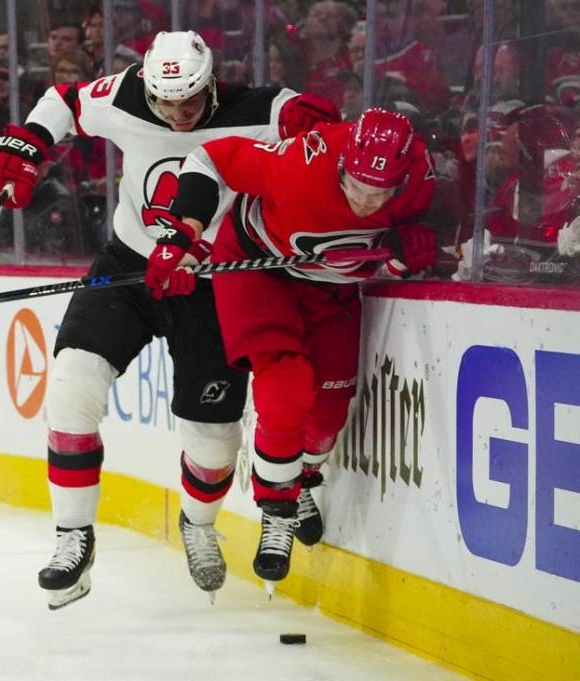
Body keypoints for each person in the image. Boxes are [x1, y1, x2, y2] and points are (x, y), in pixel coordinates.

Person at [0, 30, 340, 608]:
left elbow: (323, 135)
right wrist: (26, 143)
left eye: (191, 103)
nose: (178, 116)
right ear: (148, 83)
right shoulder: (124, 94)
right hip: (128, 267)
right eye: (166, 103)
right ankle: (73, 539)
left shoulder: (260, 109)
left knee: (214, 442)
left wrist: (319, 129)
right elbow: (65, 102)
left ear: (212, 83)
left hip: (215, 283)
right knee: (71, 386)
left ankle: (197, 524)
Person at [169, 108, 436, 588]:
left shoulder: (426, 182)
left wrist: (410, 253)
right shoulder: (302, 161)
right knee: (285, 387)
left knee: (328, 416)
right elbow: (209, 158)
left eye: (381, 193)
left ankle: (301, 475)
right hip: (257, 265)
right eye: (356, 185)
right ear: (341, 164)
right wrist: (185, 232)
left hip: (330, 285)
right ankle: (278, 512)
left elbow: (446, 243)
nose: (364, 201)